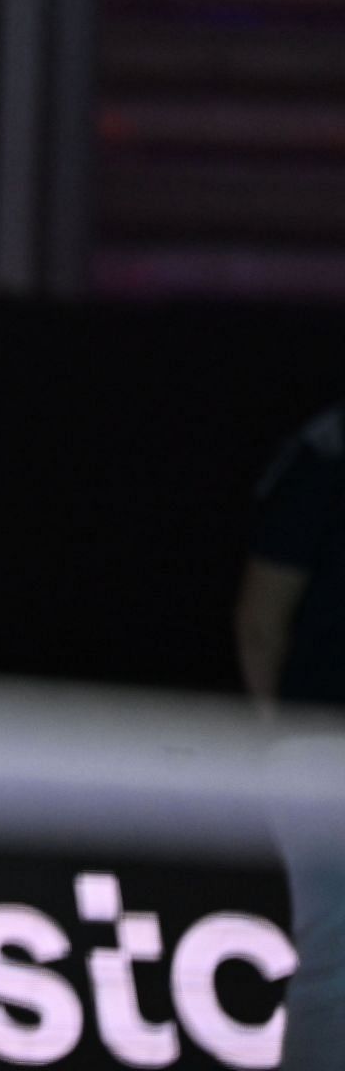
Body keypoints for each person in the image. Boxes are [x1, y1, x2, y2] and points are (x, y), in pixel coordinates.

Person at [235, 403, 345, 1070]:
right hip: (325, 750)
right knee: (336, 969)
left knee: (334, 970)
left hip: (312, 749)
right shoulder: (328, 451)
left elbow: (259, 620)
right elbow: (260, 618)